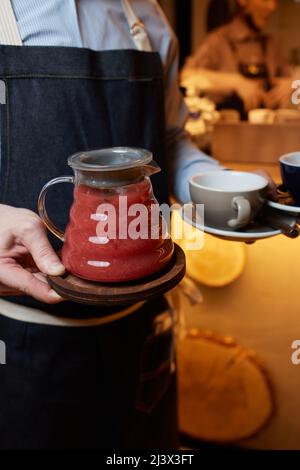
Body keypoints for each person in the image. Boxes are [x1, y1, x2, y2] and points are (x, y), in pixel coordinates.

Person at [0, 0, 225, 450]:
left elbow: (172, 136)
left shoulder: (148, 16)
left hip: (143, 326)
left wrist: (219, 187)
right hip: (22, 341)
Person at [183, 0, 292, 118]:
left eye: (275, 1)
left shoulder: (270, 45)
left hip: (266, 132)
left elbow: (293, 87)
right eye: (264, 0)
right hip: (227, 131)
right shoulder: (219, 40)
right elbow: (187, 76)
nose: (272, 7)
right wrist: (237, 82)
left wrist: (293, 85)